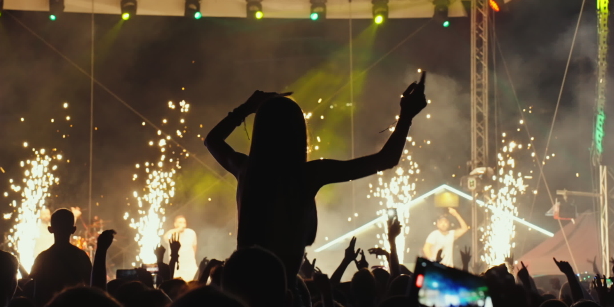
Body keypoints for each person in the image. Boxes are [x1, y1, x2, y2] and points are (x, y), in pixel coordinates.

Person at [205, 75, 427, 282]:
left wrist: (247, 108)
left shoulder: (245, 168)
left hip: (244, 277)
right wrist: (406, 117)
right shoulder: (309, 174)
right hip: (282, 285)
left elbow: (212, 140)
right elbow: (385, 160)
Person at [30, 208, 92, 307]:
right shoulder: (81, 256)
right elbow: (91, 285)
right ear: (73, 230)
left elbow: (36, 292)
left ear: (50, 229)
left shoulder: (42, 258)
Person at [163, 215, 197, 281]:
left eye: (184, 222)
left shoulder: (191, 233)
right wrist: (178, 229)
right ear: (175, 224)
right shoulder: (171, 233)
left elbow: (194, 246)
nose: (183, 224)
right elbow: (165, 238)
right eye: (180, 222)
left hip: (190, 265)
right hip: (177, 266)